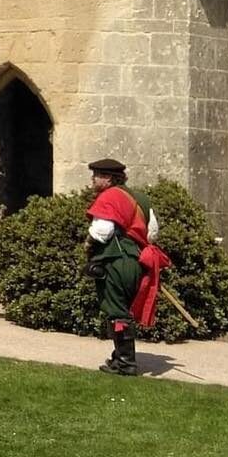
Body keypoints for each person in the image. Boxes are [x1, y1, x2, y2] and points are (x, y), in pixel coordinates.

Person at [85, 158, 169, 376]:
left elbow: (102, 231)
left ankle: (126, 363)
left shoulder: (110, 197)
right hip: (136, 262)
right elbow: (152, 232)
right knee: (122, 309)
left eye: (96, 175)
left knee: (117, 311)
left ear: (108, 178)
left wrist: (88, 243)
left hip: (116, 262)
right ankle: (119, 357)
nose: (92, 179)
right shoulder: (140, 197)